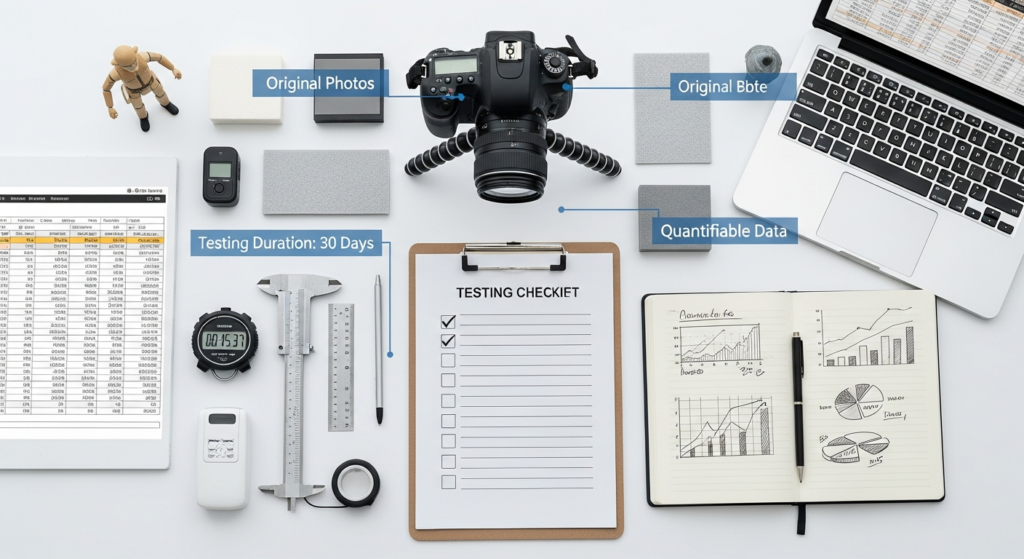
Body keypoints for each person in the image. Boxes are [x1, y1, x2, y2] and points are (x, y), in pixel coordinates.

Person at [102, 45, 182, 132]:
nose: (133, 66)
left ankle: (166, 104)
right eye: (128, 66)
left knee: (162, 94)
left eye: (134, 62)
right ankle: (143, 117)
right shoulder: (116, 73)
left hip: (151, 82)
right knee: (138, 107)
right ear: (117, 64)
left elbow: (159, 57)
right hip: (133, 91)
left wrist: (173, 68)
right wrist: (110, 107)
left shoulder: (143, 57)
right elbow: (106, 89)